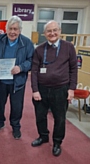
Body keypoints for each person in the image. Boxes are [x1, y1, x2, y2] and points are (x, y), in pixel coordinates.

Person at [30, 20, 77, 156]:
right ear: (44, 34)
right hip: (42, 89)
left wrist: (71, 89)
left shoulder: (68, 47)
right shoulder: (39, 49)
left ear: (60, 31)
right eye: (49, 31)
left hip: (61, 89)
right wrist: (35, 90)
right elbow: (34, 71)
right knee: (40, 116)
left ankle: (57, 142)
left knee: (60, 118)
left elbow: (74, 69)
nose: (52, 33)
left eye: (55, 30)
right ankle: (43, 136)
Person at [0, 15, 34, 139]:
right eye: (10, 29)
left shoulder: (27, 42)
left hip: (17, 82)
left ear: (20, 30)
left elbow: (31, 60)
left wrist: (21, 67)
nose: (12, 32)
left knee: (17, 106)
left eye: (15, 29)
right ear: (6, 29)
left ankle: (16, 126)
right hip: (1, 80)